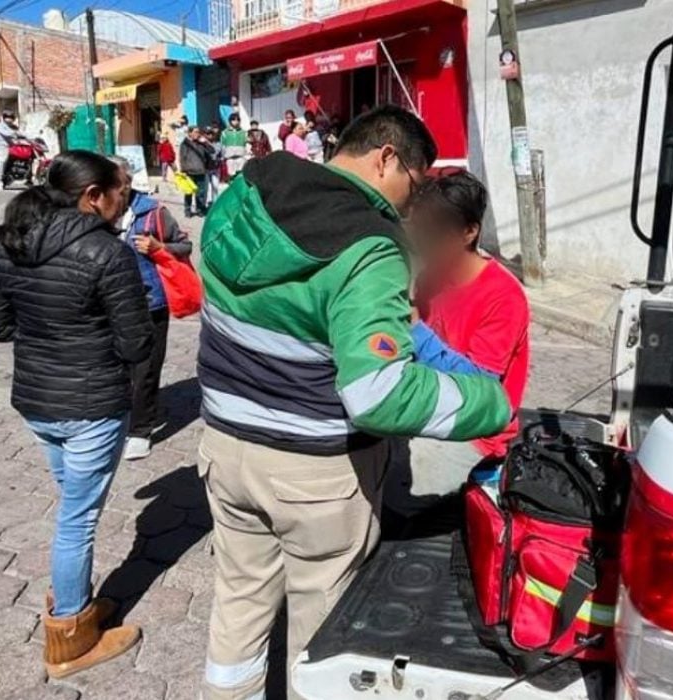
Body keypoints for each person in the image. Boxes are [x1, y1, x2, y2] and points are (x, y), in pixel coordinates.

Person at [195, 106, 511, 700]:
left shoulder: (250, 187)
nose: (411, 207)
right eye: (415, 187)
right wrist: (485, 402)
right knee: (324, 631)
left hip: (224, 446)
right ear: (386, 157)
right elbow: (379, 394)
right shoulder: (372, 245)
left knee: (238, 599)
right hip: (312, 474)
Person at [0, 150, 152, 678]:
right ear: (91, 196)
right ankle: (69, 636)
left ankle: (76, 598)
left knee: (74, 507)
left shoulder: (8, 239)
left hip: (37, 402)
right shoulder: (106, 252)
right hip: (91, 407)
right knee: (77, 521)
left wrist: (46, 337)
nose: (128, 199)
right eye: (121, 189)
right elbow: (138, 345)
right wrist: (80, 341)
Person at [386, 171, 531, 512]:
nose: (421, 243)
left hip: (473, 432)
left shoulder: (504, 296)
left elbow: (478, 386)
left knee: (393, 496)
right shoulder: (429, 278)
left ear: (469, 232)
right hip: (421, 408)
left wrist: (415, 328)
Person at [110, 158, 193, 460]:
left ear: (127, 182)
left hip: (150, 304)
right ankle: (117, 419)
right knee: (116, 367)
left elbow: (184, 245)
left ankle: (140, 430)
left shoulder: (153, 212)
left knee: (145, 370)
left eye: (115, 182)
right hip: (109, 304)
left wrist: (161, 248)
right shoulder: (93, 211)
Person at [179, 125, 213, 217]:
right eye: (195, 132)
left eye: (198, 132)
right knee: (188, 192)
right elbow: (182, 158)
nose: (197, 134)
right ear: (190, 133)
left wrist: (206, 142)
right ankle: (187, 210)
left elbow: (212, 151)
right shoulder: (185, 144)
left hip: (201, 171)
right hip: (189, 172)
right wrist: (183, 171)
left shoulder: (201, 143)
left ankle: (199, 210)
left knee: (200, 193)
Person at [0, 110, 23, 191]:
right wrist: (16, 133)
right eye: (7, 117)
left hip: (12, 146)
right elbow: (7, 133)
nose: (9, 119)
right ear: (4, 118)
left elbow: (21, 133)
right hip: (1, 146)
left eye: (11, 117)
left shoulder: (14, 127)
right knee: (2, 160)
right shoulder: (0, 125)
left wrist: (31, 137)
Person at [221, 113, 247, 180]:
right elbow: (223, 146)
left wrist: (246, 156)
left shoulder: (244, 132)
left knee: (241, 176)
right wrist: (224, 157)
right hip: (230, 158)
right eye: (234, 120)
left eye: (238, 120)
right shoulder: (224, 132)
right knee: (231, 176)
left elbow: (246, 145)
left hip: (240, 158)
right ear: (230, 121)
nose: (236, 121)